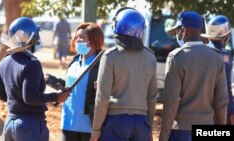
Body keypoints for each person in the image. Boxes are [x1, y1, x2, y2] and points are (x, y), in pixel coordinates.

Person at [0, 17, 69, 141]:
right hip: (29, 126)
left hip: (10, 122)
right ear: (31, 38)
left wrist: (38, 81)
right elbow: (30, 97)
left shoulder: (4, 61)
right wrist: (57, 97)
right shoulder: (32, 63)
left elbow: (1, 95)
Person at [159, 11, 229, 141]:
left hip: (181, 130)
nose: (177, 34)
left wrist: (163, 136)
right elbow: (222, 101)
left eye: (178, 29)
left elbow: (171, 102)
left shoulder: (176, 57)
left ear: (183, 30)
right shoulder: (216, 57)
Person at [90, 7, 158, 141]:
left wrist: (96, 130)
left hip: (116, 122)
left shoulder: (110, 56)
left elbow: (102, 97)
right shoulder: (151, 57)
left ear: (118, 26)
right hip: (141, 123)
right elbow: (152, 97)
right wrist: (149, 128)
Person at [46, 22, 104, 141]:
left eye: (82, 38)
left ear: (94, 41)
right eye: (77, 37)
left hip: (89, 126)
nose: (78, 40)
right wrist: (51, 80)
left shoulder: (102, 64)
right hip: (69, 122)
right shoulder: (74, 61)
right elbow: (70, 87)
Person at [201, 15, 234, 125]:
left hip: (202, 111)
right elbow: (226, 88)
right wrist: (231, 110)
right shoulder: (224, 54)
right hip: (222, 112)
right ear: (225, 35)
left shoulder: (203, 51)